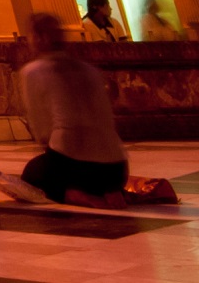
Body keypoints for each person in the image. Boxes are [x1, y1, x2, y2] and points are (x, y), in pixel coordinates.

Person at [20, 13, 127, 208]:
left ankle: (76, 194)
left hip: (76, 169)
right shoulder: (88, 70)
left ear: (39, 38)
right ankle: (110, 191)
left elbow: (42, 129)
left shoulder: (34, 71)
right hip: (116, 170)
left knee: (32, 173)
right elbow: (107, 119)